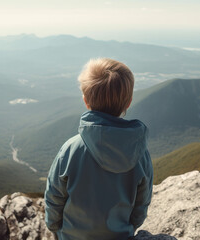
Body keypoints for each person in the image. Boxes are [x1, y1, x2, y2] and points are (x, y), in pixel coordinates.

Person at [44, 58, 153, 240]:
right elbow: (141, 204)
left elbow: (54, 196)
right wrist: (130, 227)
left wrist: (54, 227)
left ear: (86, 101)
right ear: (128, 102)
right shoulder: (140, 153)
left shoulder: (71, 149)